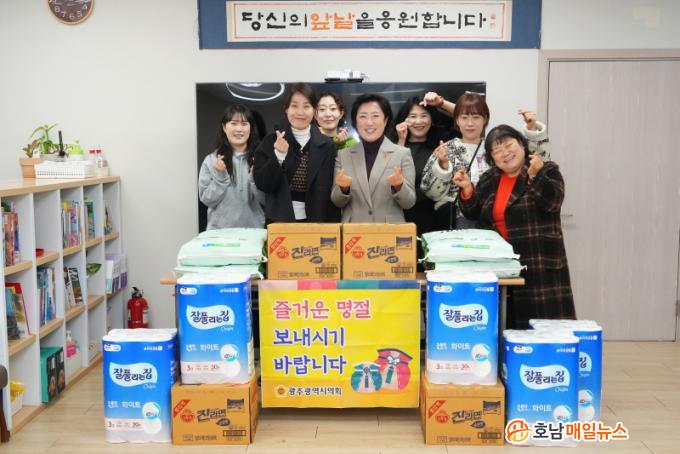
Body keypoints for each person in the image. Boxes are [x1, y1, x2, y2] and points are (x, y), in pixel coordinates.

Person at [453, 124, 576, 329]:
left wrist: (536, 176)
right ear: (492, 158)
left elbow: (552, 203)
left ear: (522, 144)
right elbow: (473, 213)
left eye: (508, 145)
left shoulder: (546, 170)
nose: (505, 153)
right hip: (501, 266)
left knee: (545, 330)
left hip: (538, 263)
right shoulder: (490, 178)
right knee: (506, 327)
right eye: (497, 150)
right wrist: (467, 189)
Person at [421, 92, 549, 229]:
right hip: (457, 222)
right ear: (457, 120)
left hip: (496, 220)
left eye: (476, 117)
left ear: (485, 119)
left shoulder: (495, 148)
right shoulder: (446, 149)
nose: (470, 123)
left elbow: (535, 163)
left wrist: (531, 128)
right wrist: (443, 165)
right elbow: (430, 193)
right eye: (464, 118)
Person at [253, 83, 340, 223]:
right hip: (279, 221)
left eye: (306, 106)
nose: (300, 112)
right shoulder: (271, 141)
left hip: (316, 222)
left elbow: (330, 192)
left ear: (314, 111)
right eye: (294, 106)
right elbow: (263, 185)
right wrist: (278, 156)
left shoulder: (327, 146)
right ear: (286, 109)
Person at [331, 93, 416, 223]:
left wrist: (399, 186)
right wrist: (343, 189)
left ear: (385, 120)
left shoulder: (402, 154)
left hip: (389, 231)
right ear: (355, 122)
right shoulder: (343, 155)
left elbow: (409, 203)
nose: (369, 122)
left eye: (375, 116)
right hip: (353, 232)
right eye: (363, 116)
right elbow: (337, 202)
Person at [391, 93, 453, 236]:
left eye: (424, 115)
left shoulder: (442, 145)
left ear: (432, 119)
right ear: (404, 119)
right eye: (413, 116)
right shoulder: (393, 144)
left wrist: (440, 102)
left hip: (435, 222)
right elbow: (392, 177)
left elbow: (465, 117)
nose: (418, 121)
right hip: (400, 220)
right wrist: (401, 139)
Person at [198, 104, 264, 229]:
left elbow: (267, 200)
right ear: (224, 127)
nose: (239, 129)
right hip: (219, 232)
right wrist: (220, 178)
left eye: (244, 124)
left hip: (254, 231)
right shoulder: (211, 160)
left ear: (251, 128)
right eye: (233, 123)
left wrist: (255, 178)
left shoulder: (260, 160)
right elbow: (206, 200)